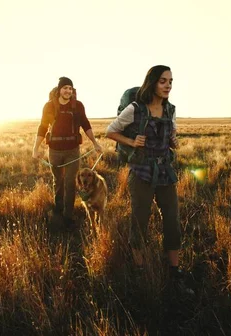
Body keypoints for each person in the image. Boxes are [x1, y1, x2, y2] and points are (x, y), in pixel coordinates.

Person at [105, 65, 185, 281]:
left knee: (172, 219)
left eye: (170, 81)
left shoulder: (171, 109)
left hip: (165, 172)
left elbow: (173, 132)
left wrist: (173, 141)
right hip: (141, 171)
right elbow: (110, 131)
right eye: (163, 81)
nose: (168, 85)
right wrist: (131, 141)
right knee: (140, 220)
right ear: (152, 83)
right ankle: (140, 269)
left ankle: (174, 270)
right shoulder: (135, 108)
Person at [33, 77, 103, 229]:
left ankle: (68, 216)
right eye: (65, 88)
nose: (68, 91)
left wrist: (95, 143)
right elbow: (43, 126)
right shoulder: (49, 106)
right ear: (59, 90)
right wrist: (35, 148)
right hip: (55, 151)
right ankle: (58, 209)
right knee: (58, 181)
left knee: (70, 183)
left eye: (70, 88)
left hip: (72, 151)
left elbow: (86, 124)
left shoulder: (77, 106)